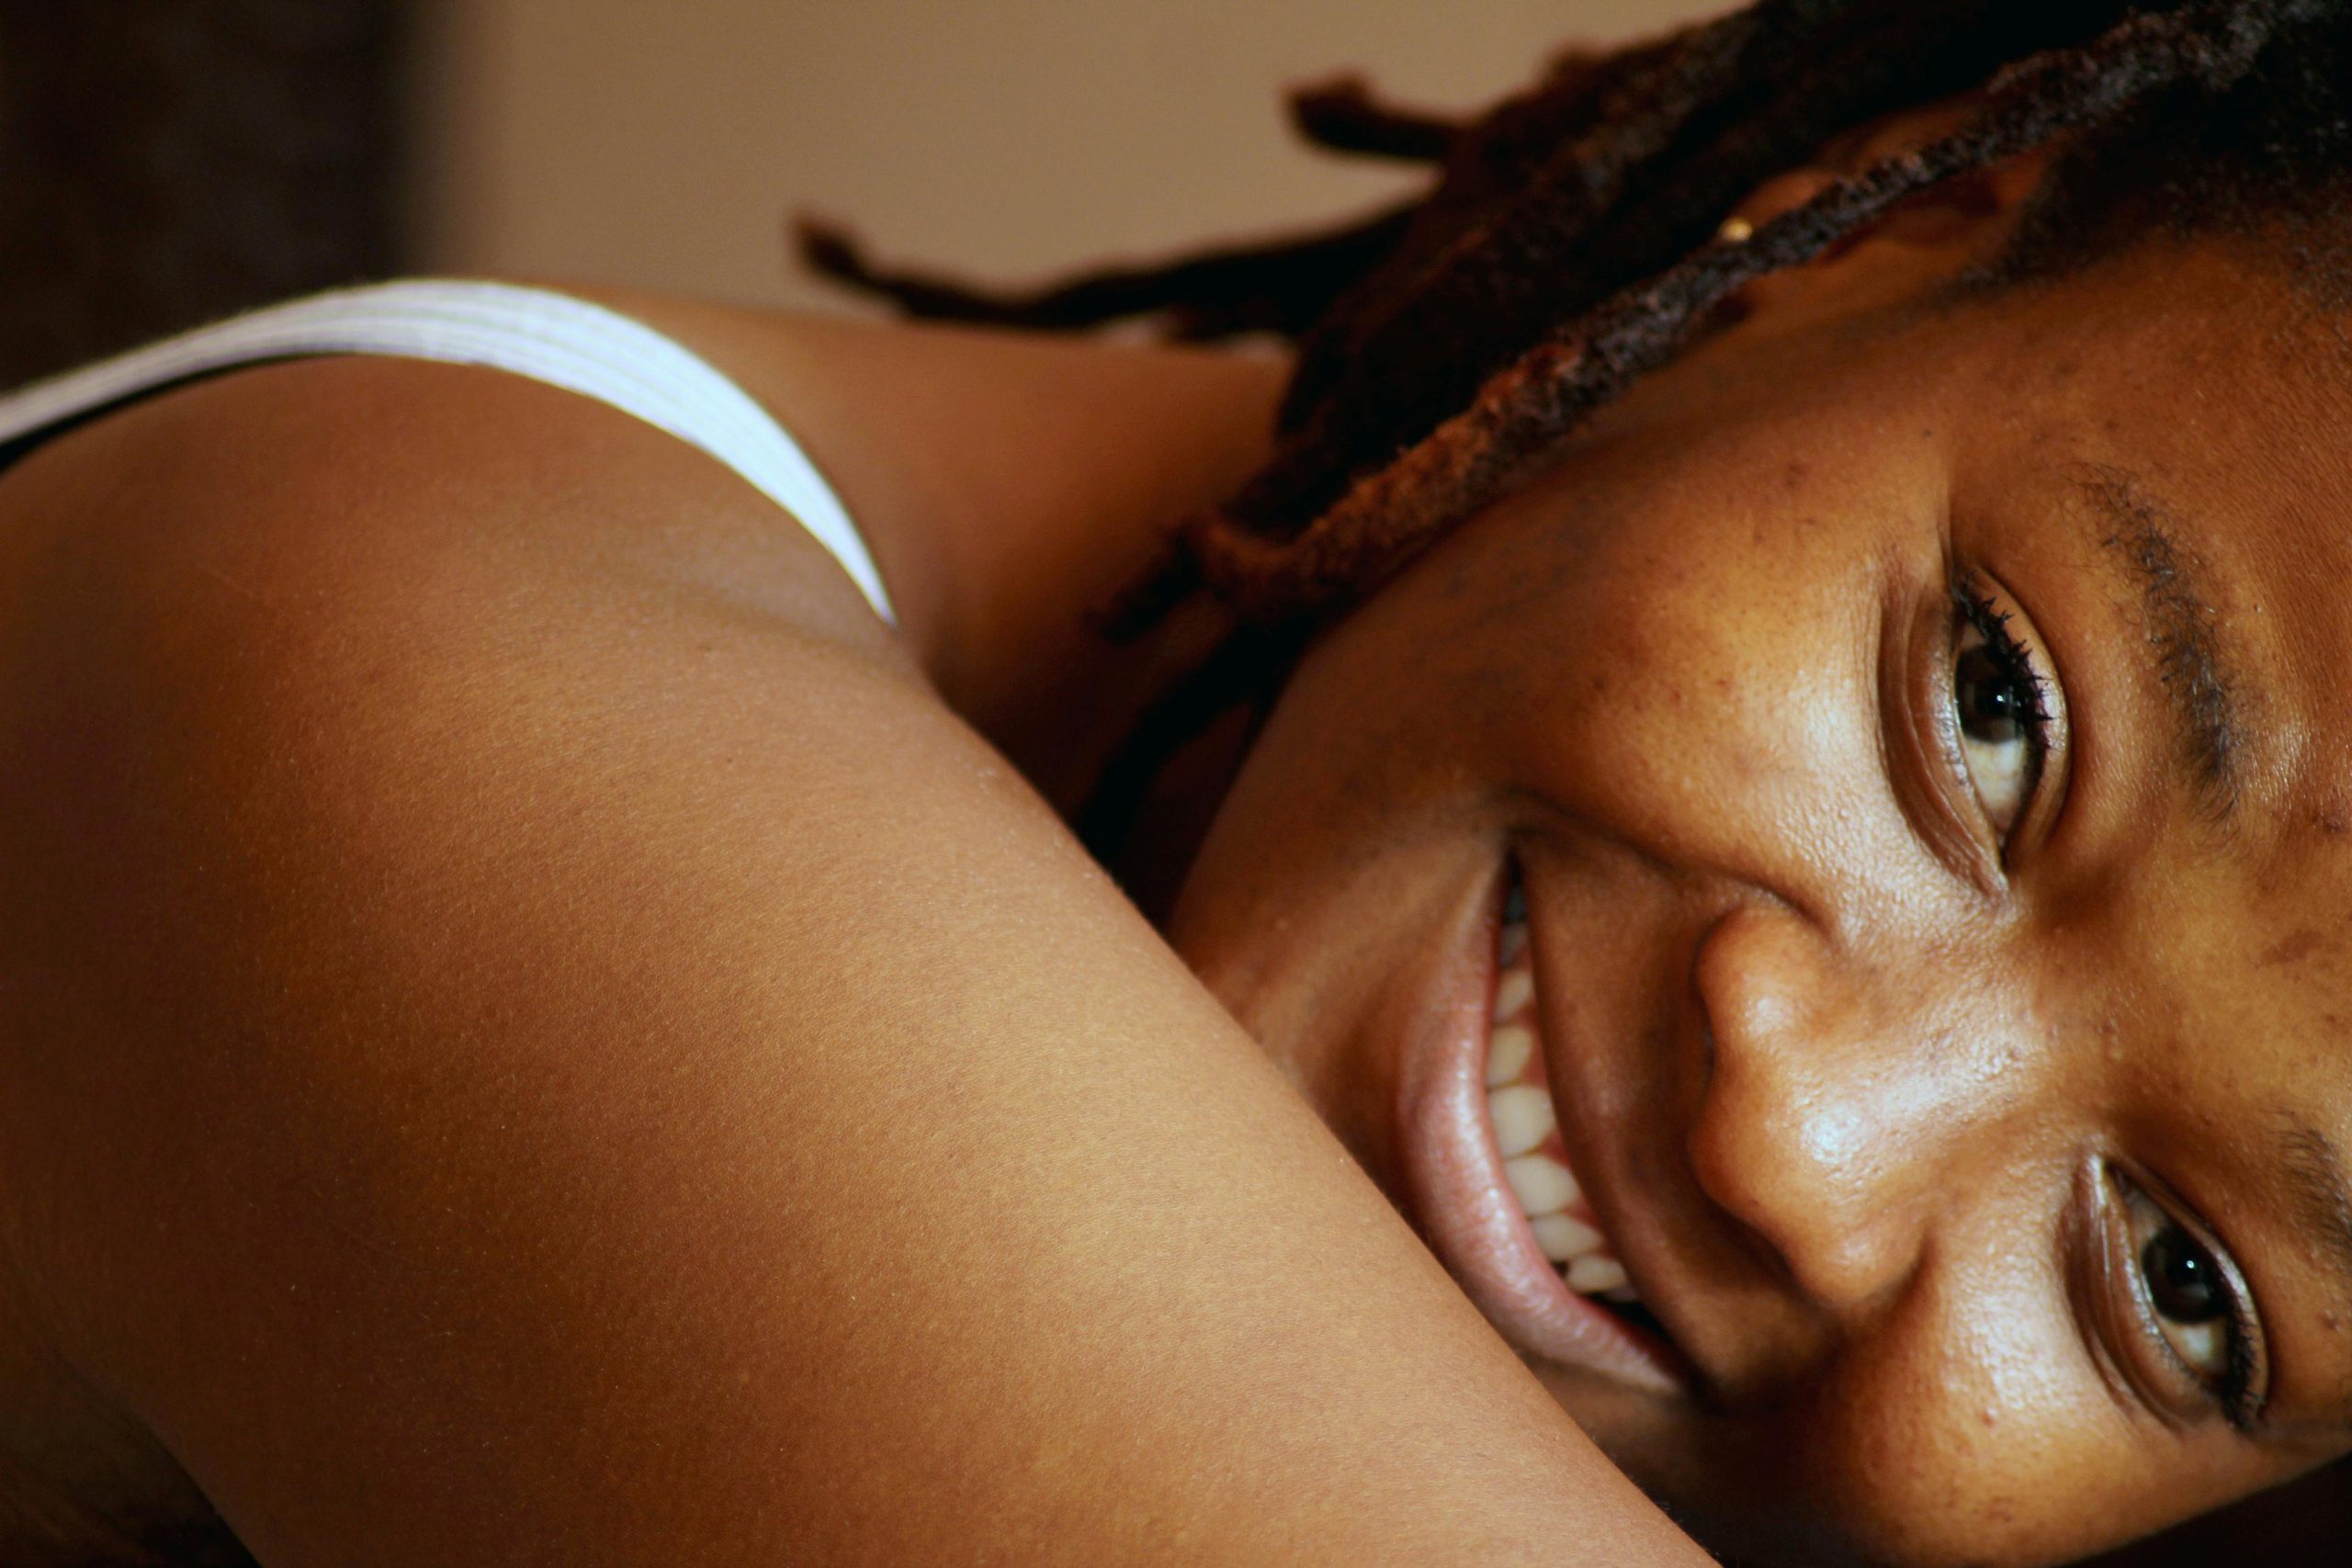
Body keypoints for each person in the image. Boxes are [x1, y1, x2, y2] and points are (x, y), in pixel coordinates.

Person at [0, 0, 2343, 1562]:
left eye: (2181, 1286)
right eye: (1991, 710)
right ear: (1878, 209)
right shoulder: (437, 674)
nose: (1803, 1151)